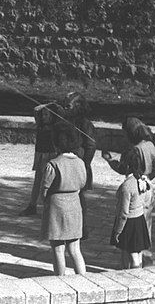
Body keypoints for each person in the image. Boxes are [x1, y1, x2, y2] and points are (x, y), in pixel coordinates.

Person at [102, 116, 155, 265]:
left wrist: (109, 160)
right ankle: (146, 257)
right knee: (146, 224)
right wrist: (145, 179)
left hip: (134, 187)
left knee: (131, 224)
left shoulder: (132, 150)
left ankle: (129, 264)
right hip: (147, 187)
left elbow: (122, 169)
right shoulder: (150, 145)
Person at [40, 126, 88, 276]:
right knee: (75, 249)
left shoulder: (53, 164)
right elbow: (82, 183)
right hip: (75, 204)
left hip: (56, 207)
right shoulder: (81, 162)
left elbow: (44, 189)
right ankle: (83, 279)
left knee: (58, 249)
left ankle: (60, 280)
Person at [111, 150, 154, 269]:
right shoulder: (143, 181)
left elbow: (123, 212)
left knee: (132, 256)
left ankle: (136, 280)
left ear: (127, 166)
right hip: (140, 220)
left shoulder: (127, 186)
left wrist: (118, 230)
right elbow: (147, 200)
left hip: (129, 223)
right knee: (138, 253)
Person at [20, 102, 63, 216]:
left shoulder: (56, 127)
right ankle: (32, 205)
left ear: (53, 116)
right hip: (40, 155)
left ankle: (48, 208)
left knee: (48, 182)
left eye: (47, 115)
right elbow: (36, 109)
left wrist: (55, 107)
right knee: (37, 181)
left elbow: (61, 113)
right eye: (43, 115)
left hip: (50, 155)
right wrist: (48, 105)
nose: (44, 117)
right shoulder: (40, 125)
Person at [63, 92, 96, 239]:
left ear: (78, 106)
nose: (65, 109)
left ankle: (82, 228)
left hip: (80, 164)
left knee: (79, 197)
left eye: (68, 106)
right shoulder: (66, 121)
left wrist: (83, 164)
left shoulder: (85, 124)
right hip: (66, 163)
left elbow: (91, 146)